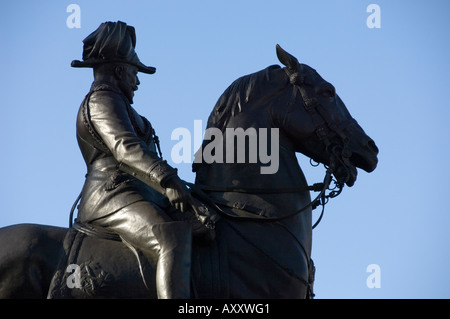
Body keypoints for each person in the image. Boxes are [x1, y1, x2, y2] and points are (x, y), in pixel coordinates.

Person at [71, 21, 197, 298]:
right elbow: (126, 148)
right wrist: (167, 179)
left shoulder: (120, 103)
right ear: (120, 70)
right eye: (134, 73)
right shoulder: (101, 100)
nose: (137, 81)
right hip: (112, 196)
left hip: (141, 193)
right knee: (170, 239)